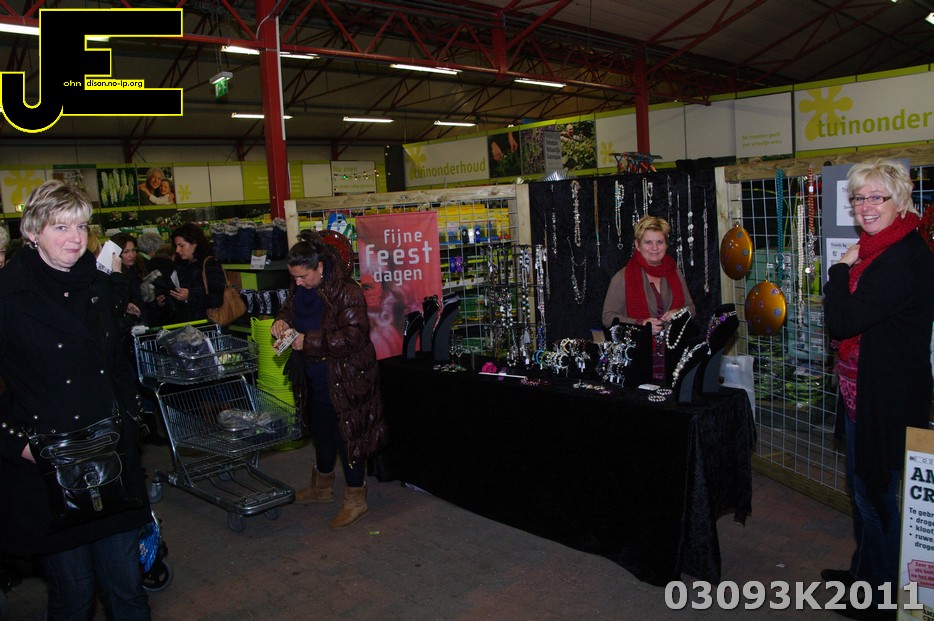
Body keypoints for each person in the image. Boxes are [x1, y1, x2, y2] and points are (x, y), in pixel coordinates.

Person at [0, 180, 151, 619]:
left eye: (82, 226)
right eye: (61, 227)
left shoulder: (99, 286)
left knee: (127, 589)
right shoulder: (9, 295)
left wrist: (130, 419)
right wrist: (16, 442)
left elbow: (116, 364)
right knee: (73, 595)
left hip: (111, 458)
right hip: (50, 465)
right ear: (33, 231)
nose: (75, 238)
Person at [822, 158, 934, 617]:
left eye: (876, 197)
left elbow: (843, 320)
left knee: (875, 498)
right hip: (862, 392)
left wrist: (837, 271)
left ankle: (879, 597)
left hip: (885, 398)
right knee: (864, 490)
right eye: (858, 198)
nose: (865, 206)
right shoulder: (881, 248)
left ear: (900, 201)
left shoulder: (900, 257)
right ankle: (863, 575)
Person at [271, 230, 387, 530]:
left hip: (346, 377)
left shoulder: (347, 292)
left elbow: (355, 336)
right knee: (320, 431)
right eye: (294, 277)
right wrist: (281, 320)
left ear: (320, 267)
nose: (298, 282)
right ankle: (321, 488)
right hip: (314, 376)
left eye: (303, 276)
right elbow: (290, 307)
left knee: (348, 437)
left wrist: (307, 341)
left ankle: (356, 499)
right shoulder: (301, 286)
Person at [601, 215, 696, 380]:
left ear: (666, 245)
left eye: (660, 242)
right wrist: (640, 324)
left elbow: (691, 309)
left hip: (674, 358)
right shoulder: (622, 277)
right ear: (637, 245)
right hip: (638, 359)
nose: (655, 248)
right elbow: (607, 318)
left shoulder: (675, 272)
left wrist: (678, 313)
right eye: (648, 242)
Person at [162, 223, 224, 324]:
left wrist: (189, 296)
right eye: (176, 246)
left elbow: (217, 299)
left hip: (205, 324)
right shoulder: (179, 265)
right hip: (183, 324)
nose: (177, 250)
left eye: (181, 245)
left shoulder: (209, 264)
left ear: (194, 243)